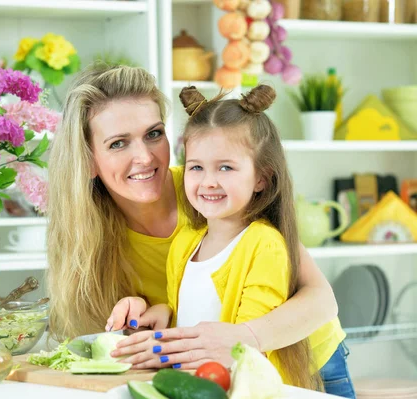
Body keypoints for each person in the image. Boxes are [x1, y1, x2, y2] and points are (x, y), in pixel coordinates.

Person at [46, 63, 339, 373]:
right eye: (118, 143)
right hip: (214, 373)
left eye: (154, 134)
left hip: (303, 360)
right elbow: (186, 317)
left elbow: (322, 300)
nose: (145, 157)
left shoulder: (214, 198)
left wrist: (243, 339)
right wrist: (142, 320)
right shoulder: (90, 234)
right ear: (88, 160)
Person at [107, 85, 354, 397]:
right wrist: (162, 312)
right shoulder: (186, 243)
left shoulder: (264, 244)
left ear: (261, 178)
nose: (209, 180)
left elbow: (246, 349)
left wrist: (174, 352)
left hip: (290, 375)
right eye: (196, 167)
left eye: (226, 167)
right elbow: (191, 306)